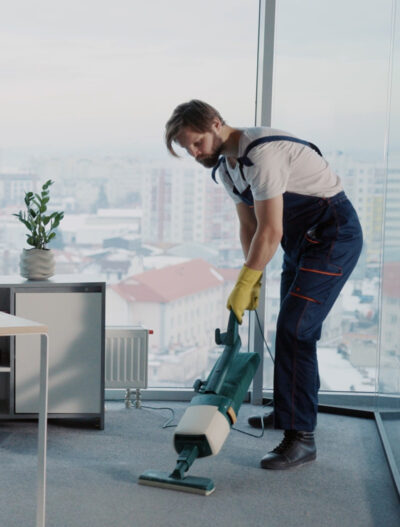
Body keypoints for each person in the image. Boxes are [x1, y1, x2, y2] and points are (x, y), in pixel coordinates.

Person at [164, 100, 363, 470]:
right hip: (300, 243)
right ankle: (289, 409)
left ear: (216, 124)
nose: (193, 153)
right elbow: (250, 227)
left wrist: (246, 280)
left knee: (296, 330)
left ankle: (300, 437)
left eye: (196, 143)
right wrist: (251, 274)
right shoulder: (226, 168)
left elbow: (271, 229)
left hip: (334, 237)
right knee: (293, 328)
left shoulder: (263, 154)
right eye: (186, 148)